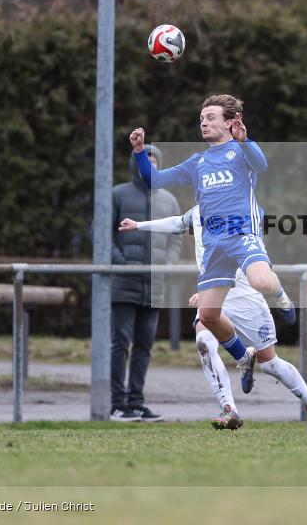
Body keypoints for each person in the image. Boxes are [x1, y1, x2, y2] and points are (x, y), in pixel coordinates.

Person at [128, 94, 296, 392]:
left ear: (231, 123)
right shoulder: (197, 162)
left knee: (260, 281)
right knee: (207, 315)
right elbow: (153, 180)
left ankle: (281, 296)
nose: (204, 123)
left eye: (211, 118)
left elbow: (262, 165)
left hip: (242, 233)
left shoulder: (241, 151)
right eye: (201, 119)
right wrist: (140, 152)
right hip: (215, 244)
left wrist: (245, 141)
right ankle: (243, 357)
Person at [120, 205, 307, 433]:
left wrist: (215, 287)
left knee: (270, 364)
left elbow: (247, 257)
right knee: (204, 343)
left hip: (246, 296)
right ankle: (230, 409)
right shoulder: (199, 210)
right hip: (215, 291)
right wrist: (139, 225)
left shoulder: (243, 207)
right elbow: (178, 223)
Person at [109, 144, 182, 422]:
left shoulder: (168, 200)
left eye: (154, 163)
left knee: (144, 346)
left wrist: (169, 264)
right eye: (144, 162)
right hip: (123, 285)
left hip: (154, 286)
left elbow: (176, 235)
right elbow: (102, 234)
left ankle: (137, 403)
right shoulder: (117, 194)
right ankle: (117, 404)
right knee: (120, 343)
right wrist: (122, 263)